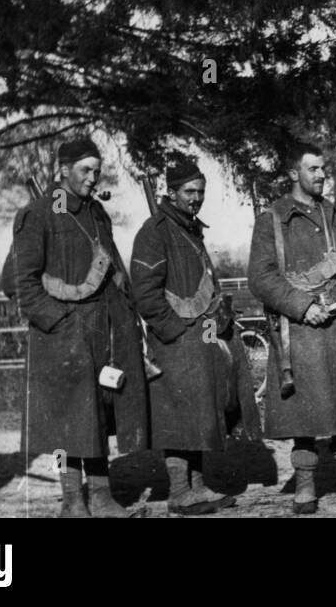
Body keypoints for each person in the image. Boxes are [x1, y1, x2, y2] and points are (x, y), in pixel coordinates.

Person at [12, 137, 149, 517]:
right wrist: (60, 323)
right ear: (63, 170)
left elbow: (116, 272)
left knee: (96, 417)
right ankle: (71, 500)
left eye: (97, 170)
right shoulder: (36, 215)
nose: (93, 177)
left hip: (102, 332)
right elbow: (22, 285)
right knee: (63, 424)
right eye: (85, 170)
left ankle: (102, 497)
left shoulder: (96, 214)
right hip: (60, 336)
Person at [247, 139, 336, 514]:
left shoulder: (331, 215)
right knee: (304, 415)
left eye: (323, 168)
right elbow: (260, 277)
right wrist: (302, 306)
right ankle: (305, 487)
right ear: (294, 173)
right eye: (313, 169)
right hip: (301, 330)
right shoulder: (271, 219)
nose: (321, 175)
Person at [130, 155, 260, 515]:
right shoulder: (153, 233)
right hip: (176, 342)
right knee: (178, 418)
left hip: (201, 338)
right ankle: (178, 491)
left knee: (203, 413)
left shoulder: (189, 229)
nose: (196, 198)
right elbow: (144, 292)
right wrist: (173, 332)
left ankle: (198, 487)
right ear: (171, 193)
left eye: (200, 192)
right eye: (189, 191)